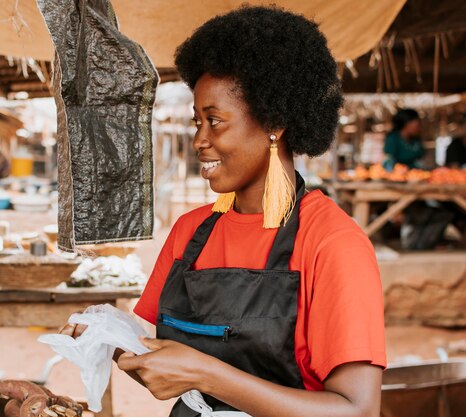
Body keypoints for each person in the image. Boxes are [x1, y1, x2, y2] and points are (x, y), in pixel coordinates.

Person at [60, 6, 385, 417]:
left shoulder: (333, 244)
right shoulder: (189, 233)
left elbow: (358, 411)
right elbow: (166, 367)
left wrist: (208, 373)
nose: (199, 140)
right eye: (197, 122)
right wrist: (112, 336)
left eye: (215, 121)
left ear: (274, 123)